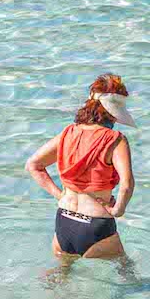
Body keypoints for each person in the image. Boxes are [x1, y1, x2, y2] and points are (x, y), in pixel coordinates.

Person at [25, 73, 135, 265]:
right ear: (113, 112)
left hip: (64, 220)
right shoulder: (115, 139)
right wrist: (118, 210)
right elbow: (126, 184)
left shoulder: (68, 133)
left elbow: (33, 165)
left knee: (59, 276)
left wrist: (59, 195)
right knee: (126, 270)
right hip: (96, 225)